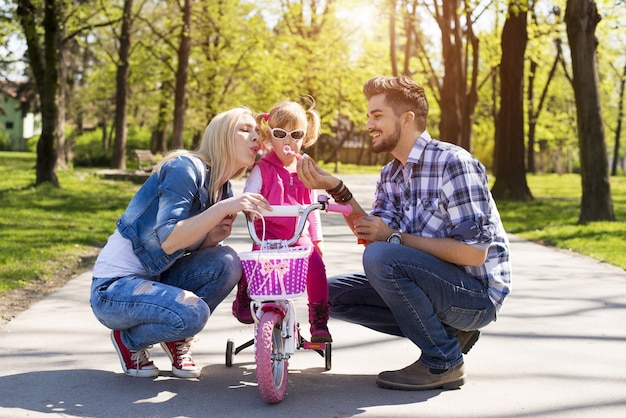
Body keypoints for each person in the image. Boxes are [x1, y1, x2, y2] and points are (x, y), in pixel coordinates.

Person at [296, 75, 511, 391]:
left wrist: (394, 237)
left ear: (407, 119)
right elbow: (373, 236)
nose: (369, 124)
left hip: (475, 295)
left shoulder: (453, 163)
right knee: (328, 295)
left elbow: (474, 252)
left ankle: (443, 361)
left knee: (383, 255)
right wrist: (337, 189)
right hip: (436, 284)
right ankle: (448, 334)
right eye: (369, 115)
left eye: (377, 115)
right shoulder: (391, 173)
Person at [90, 107, 271, 378]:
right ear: (221, 137)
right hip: (114, 290)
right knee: (193, 314)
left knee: (228, 261)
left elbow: (187, 250)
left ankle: (176, 336)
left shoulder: (222, 189)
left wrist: (211, 239)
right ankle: (129, 341)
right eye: (245, 130)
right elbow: (168, 242)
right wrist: (220, 210)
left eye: (257, 132)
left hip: (155, 279)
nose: (256, 137)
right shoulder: (184, 168)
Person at [231, 99, 333, 343]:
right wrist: (252, 206)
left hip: (298, 237)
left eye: (295, 135)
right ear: (269, 136)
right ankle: (244, 296)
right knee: (252, 262)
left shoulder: (304, 169)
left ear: (304, 137)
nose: (288, 141)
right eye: (280, 134)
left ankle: (319, 320)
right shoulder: (262, 168)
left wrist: (317, 239)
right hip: (267, 236)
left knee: (316, 265)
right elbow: (250, 192)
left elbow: (311, 208)